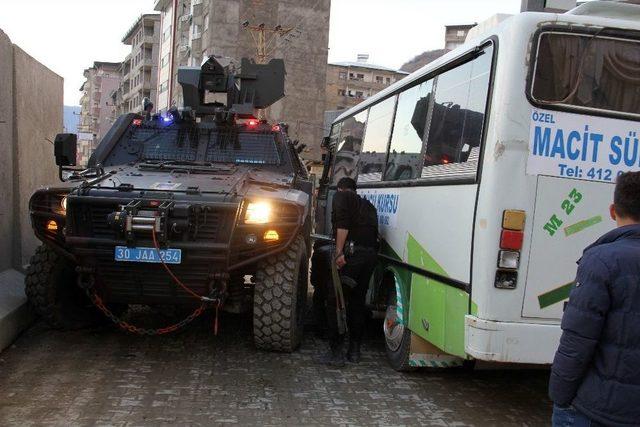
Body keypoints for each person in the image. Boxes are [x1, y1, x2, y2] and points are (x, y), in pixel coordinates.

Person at [549, 171, 640, 426]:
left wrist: (560, 397)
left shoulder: (602, 261)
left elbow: (577, 342)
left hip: (596, 410)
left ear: (613, 211)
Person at [318, 177, 378, 367]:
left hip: (351, 258)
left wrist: (338, 253)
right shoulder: (368, 206)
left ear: (342, 189)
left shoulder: (342, 197)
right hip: (370, 258)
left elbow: (342, 226)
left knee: (335, 300)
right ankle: (354, 351)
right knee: (357, 303)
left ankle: (336, 353)